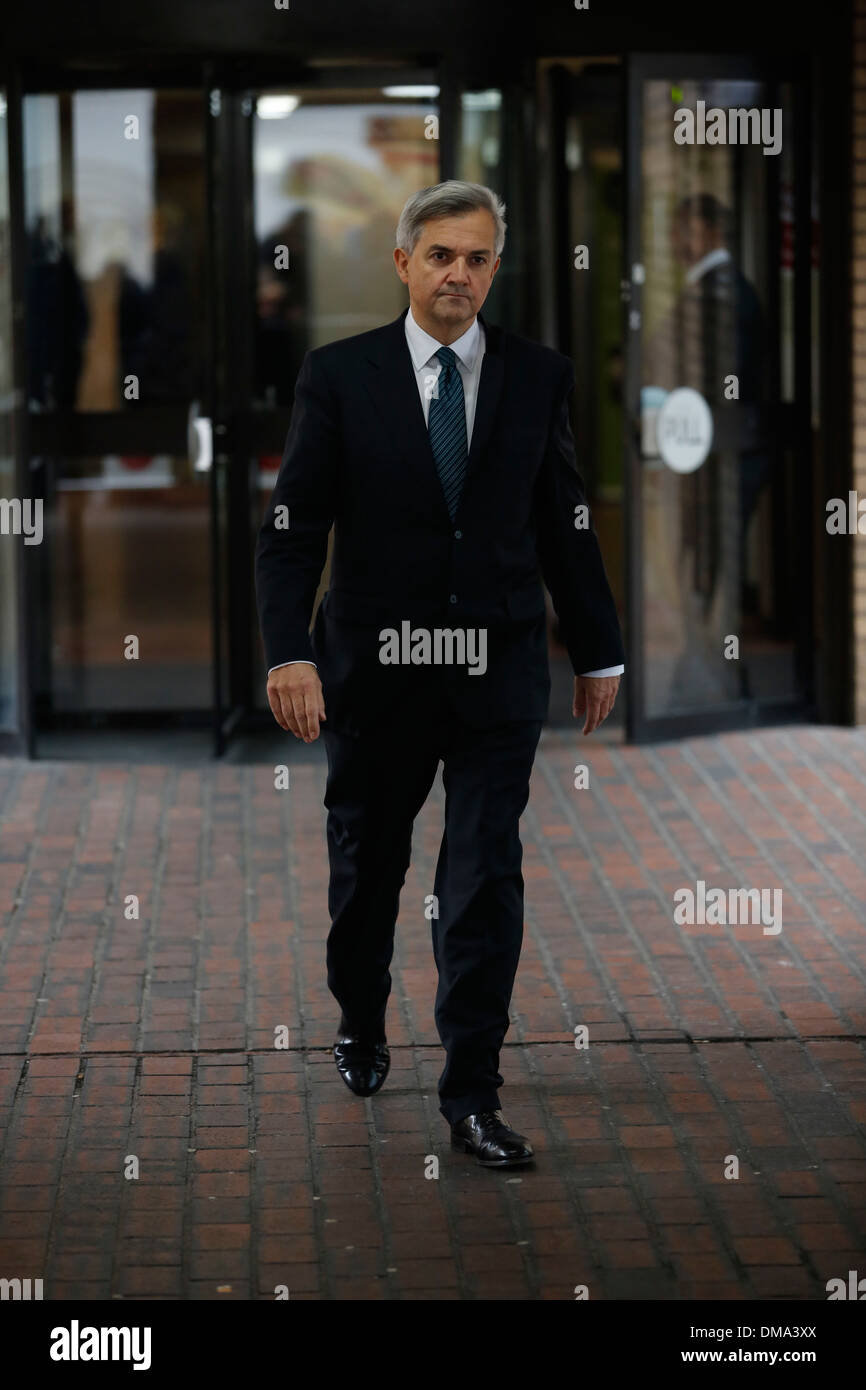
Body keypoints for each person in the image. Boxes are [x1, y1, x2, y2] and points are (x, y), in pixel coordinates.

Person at [255, 181, 624, 1168]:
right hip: (374, 674)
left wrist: (597, 647)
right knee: (367, 872)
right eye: (440, 255)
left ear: (493, 269)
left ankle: (471, 1092)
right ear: (402, 262)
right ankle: (360, 1015)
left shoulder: (536, 375)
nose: (457, 273)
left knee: (481, 877)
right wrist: (288, 653)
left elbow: (564, 520)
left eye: (476, 258)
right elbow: (292, 533)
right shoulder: (339, 377)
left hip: (495, 670)